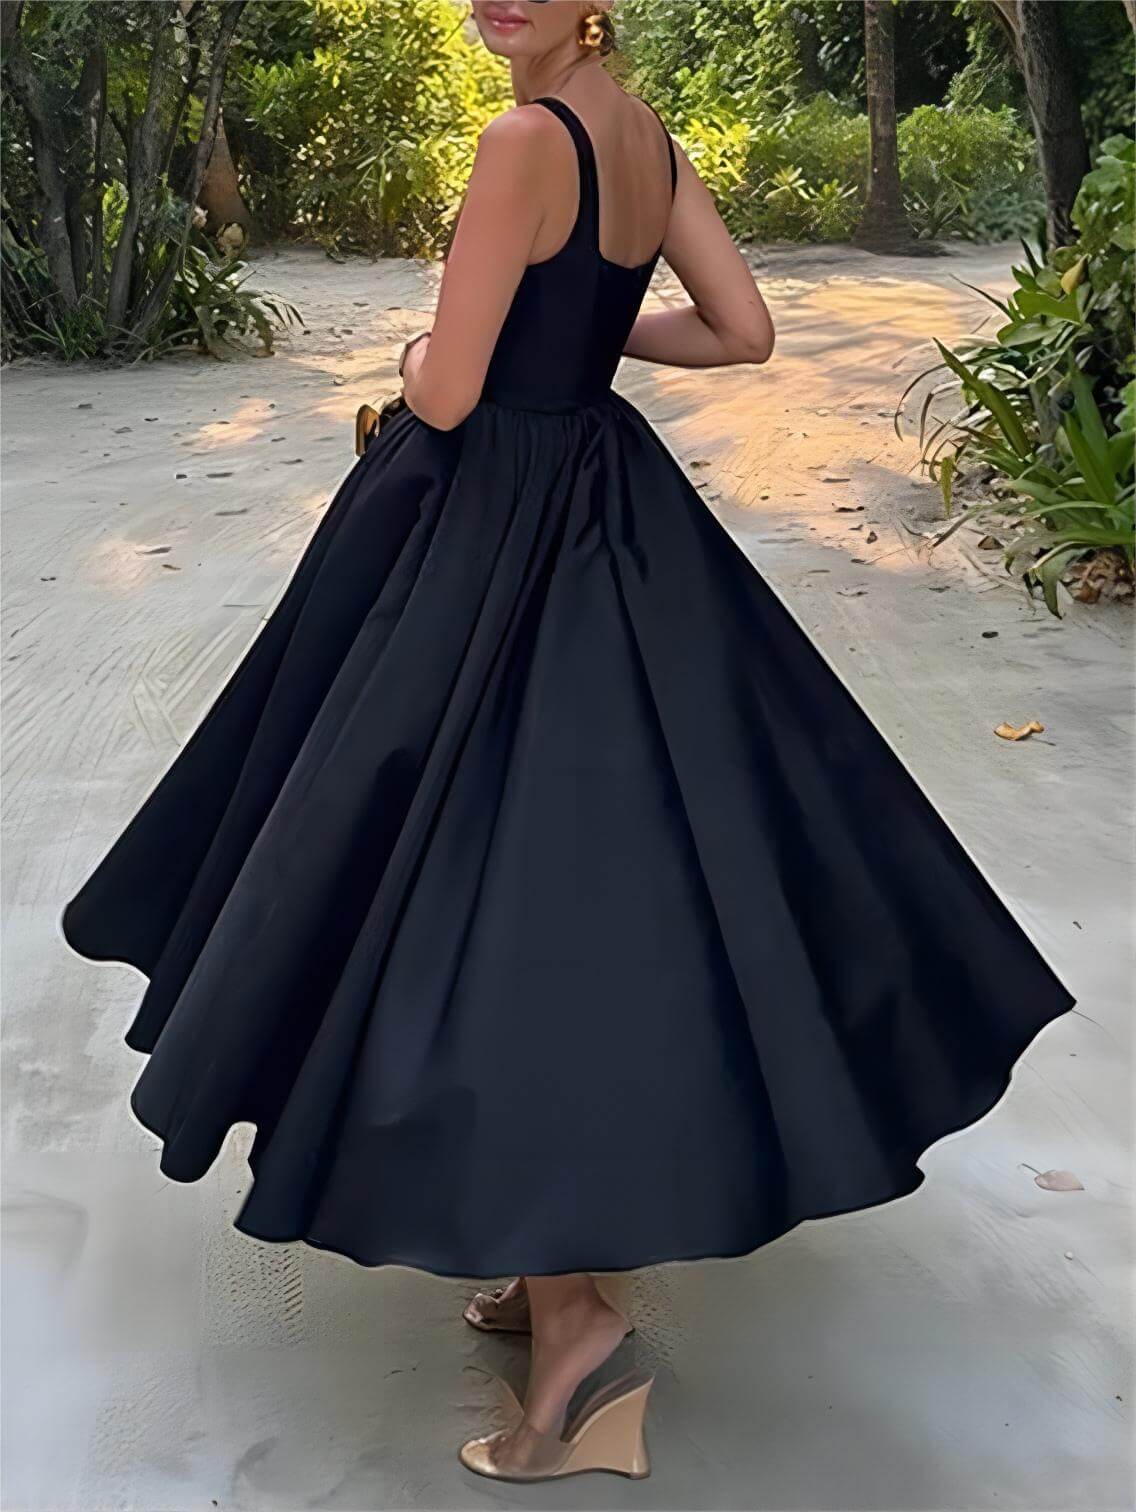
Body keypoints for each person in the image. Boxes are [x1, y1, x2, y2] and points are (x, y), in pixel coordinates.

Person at [61, 0, 1075, 1486]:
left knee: (473, 892)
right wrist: (590, 334)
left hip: (486, 534)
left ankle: (579, 1334)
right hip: (610, 516)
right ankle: (552, 1257)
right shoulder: (645, 136)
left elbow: (448, 391)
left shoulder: (520, 140)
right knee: (579, 889)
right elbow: (742, 332)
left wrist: (423, 343)